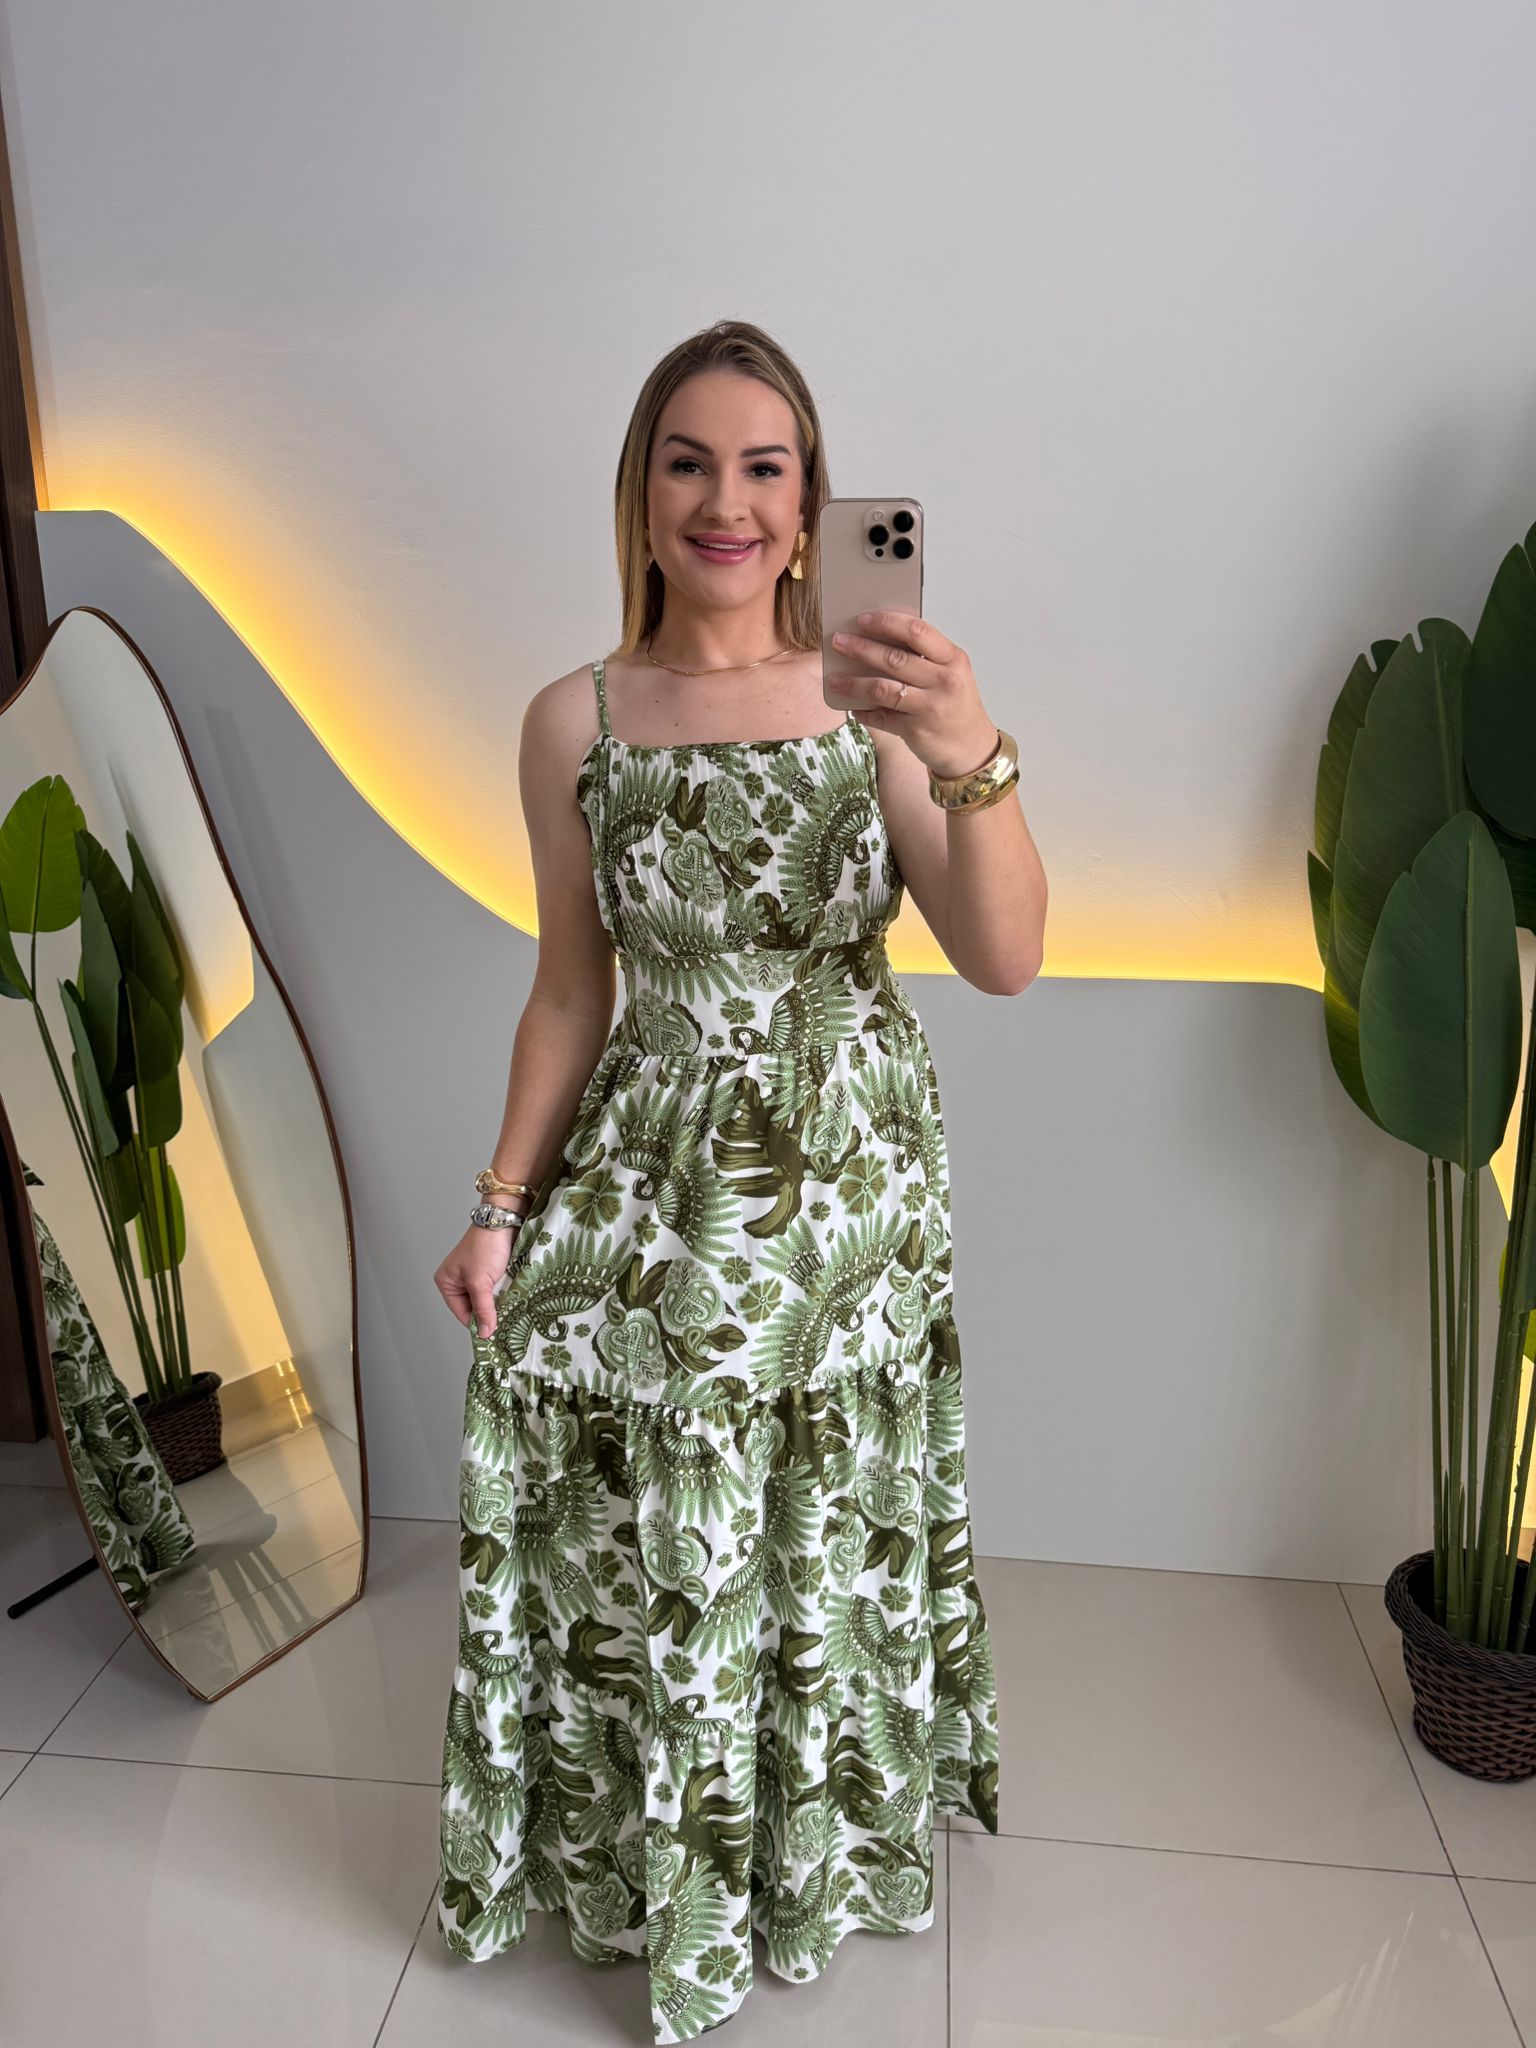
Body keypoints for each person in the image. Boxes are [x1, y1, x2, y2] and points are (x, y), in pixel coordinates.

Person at [431, 318, 1046, 2042]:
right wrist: (498, 1205)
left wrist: (973, 747)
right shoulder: (573, 720)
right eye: (687, 463)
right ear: (639, 496)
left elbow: (1004, 955)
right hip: (652, 1168)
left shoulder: (874, 706)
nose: (727, 501)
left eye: (766, 467)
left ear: (812, 498)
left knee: (816, 1512)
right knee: (646, 1503)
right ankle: (651, 1860)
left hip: (843, 1178)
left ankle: (805, 1851)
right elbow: (572, 989)